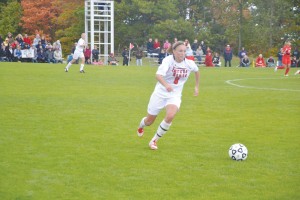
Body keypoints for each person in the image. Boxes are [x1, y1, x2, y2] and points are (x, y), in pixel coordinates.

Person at [136, 41, 200, 150]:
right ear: (174, 51)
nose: (182, 53)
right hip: (160, 93)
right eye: (180, 51)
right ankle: (141, 126)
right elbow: (158, 75)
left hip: (174, 95)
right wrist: (166, 85)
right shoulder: (168, 61)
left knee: (170, 116)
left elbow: (197, 71)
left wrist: (196, 86)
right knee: (149, 121)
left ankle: (154, 140)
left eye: (184, 51)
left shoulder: (189, 63)